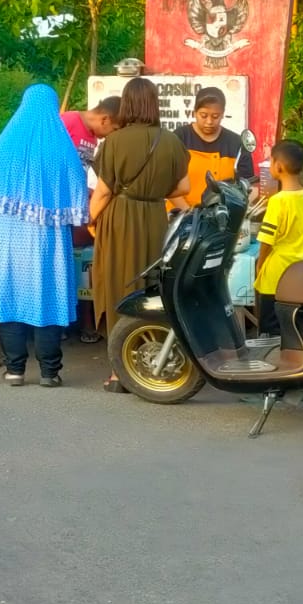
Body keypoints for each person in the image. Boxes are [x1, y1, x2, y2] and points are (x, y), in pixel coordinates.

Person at [0, 84, 91, 388]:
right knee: (48, 299)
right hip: (49, 238)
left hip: (8, 236)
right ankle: (49, 372)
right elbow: (78, 192)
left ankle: (14, 370)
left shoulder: (4, 145)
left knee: (10, 298)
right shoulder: (62, 147)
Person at [90, 76, 189, 392]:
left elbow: (103, 191)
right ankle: (149, 360)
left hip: (119, 219)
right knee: (149, 288)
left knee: (117, 287)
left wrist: (88, 219)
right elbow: (183, 188)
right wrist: (155, 189)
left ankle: (119, 372)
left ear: (128, 105)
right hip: (154, 219)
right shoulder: (171, 141)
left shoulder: (114, 142)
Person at [253, 139, 303, 336]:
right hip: (299, 269)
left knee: (270, 327)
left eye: (271, 161)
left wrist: (260, 264)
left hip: (276, 273)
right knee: (292, 325)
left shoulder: (278, 201)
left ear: (278, 166)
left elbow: (267, 240)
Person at [171, 86, 254, 210]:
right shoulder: (179, 138)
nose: (209, 121)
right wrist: (190, 214)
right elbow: (167, 184)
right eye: (203, 115)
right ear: (194, 113)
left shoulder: (236, 144)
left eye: (215, 116)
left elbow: (248, 186)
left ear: (223, 114)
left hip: (223, 217)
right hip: (180, 215)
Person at [60, 96, 120, 170]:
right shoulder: (67, 121)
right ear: (105, 120)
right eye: (114, 129)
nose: (112, 135)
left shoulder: (94, 139)